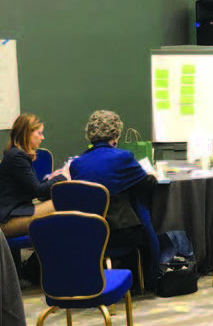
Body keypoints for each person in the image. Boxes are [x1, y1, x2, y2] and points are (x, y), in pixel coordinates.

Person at [68, 110, 158, 282]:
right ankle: (148, 277)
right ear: (115, 134)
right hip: (120, 234)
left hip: (88, 234)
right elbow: (147, 184)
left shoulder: (77, 164)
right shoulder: (122, 157)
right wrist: (152, 176)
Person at [0, 113, 67, 237]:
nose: (43, 138)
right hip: (7, 221)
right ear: (27, 134)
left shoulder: (15, 154)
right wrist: (63, 176)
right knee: (64, 202)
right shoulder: (17, 157)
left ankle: (44, 253)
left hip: (14, 213)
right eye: (39, 133)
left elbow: (32, 188)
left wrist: (51, 179)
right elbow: (38, 191)